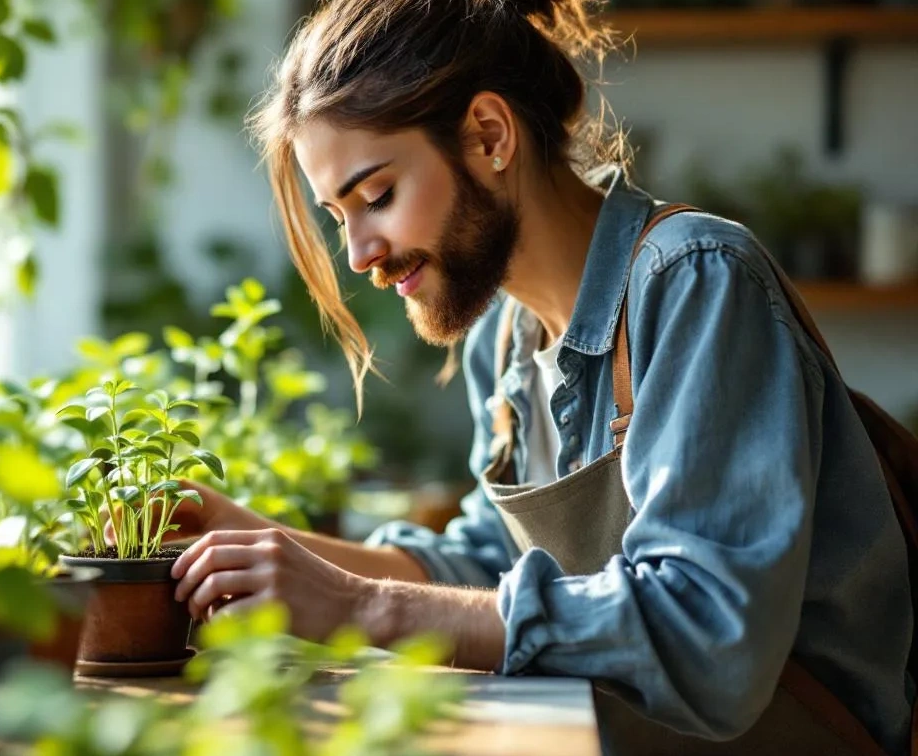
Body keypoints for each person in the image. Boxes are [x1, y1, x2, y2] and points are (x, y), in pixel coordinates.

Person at [164, 0, 916, 753]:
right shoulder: (508, 337)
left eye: (377, 197)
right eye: (338, 216)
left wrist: (364, 605)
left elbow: (709, 637)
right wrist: (256, 540)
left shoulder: (692, 280)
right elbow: (488, 570)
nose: (358, 253)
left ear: (489, 136)